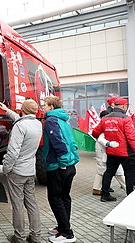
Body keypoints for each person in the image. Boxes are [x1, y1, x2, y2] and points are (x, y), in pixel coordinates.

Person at [0, 99, 42, 243]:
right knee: (32, 204)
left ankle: (19, 238)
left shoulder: (20, 126)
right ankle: (35, 237)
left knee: (18, 206)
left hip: (16, 172)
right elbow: (21, 121)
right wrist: (7, 110)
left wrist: (5, 168)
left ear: (22, 110)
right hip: (30, 171)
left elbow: (12, 152)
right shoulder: (37, 124)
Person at [42, 96, 79, 243]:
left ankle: (67, 233)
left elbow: (58, 142)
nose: (43, 107)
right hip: (69, 165)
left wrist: (63, 161)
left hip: (58, 166)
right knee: (64, 197)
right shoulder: (63, 120)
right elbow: (71, 141)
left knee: (55, 198)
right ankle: (62, 226)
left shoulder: (51, 121)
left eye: (44, 105)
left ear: (51, 106)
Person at [92, 98, 135, 202]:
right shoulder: (126, 118)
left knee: (109, 172)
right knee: (130, 175)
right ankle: (130, 196)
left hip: (111, 152)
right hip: (126, 153)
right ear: (124, 106)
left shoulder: (105, 118)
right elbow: (132, 137)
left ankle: (105, 195)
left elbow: (95, 133)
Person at [92, 110, 126, 196]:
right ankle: (127, 187)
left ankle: (97, 188)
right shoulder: (105, 125)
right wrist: (109, 144)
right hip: (105, 151)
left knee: (101, 170)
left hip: (103, 151)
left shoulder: (103, 124)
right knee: (118, 171)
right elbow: (100, 138)